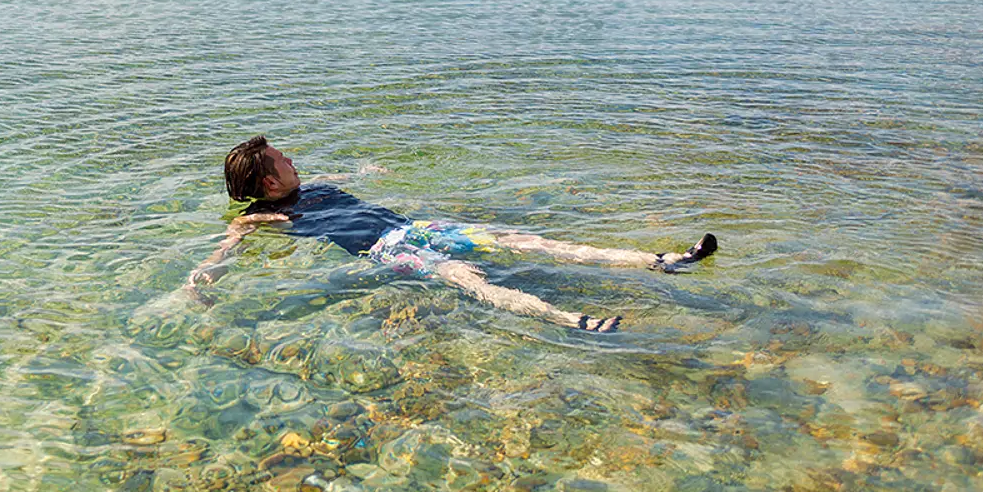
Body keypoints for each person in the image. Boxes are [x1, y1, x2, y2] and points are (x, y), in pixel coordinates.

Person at [186, 136, 717, 332]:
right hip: (384, 250)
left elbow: (354, 176)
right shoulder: (253, 217)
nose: (293, 158)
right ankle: (568, 319)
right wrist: (203, 277)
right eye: (283, 158)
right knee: (468, 278)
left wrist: (370, 173)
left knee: (522, 241)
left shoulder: (320, 186)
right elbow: (226, 247)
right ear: (266, 180)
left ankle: (658, 259)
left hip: (413, 227)